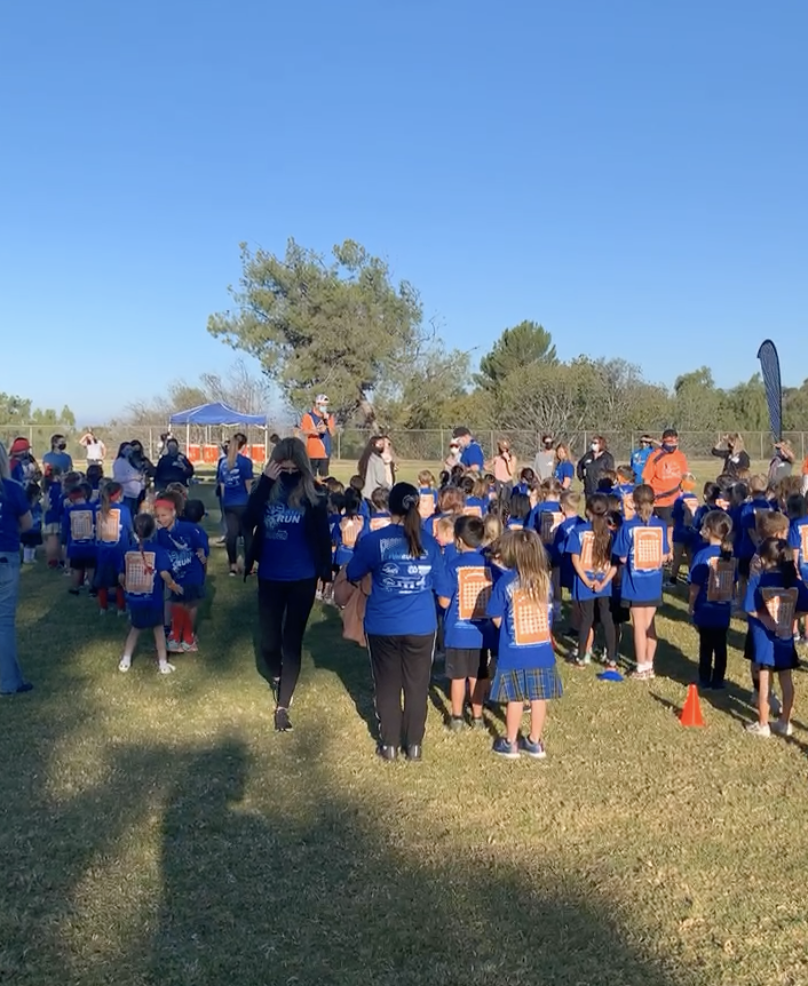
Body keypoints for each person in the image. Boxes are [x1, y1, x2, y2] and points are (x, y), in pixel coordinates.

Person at [346, 482, 452, 762]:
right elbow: (444, 597)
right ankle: (414, 745)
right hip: (421, 625)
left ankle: (390, 745)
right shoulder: (429, 543)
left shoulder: (375, 541)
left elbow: (353, 572)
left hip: (383, 625)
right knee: (417, 686)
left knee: (387, 684)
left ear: (388, 507)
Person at [244, 437, 333, 732]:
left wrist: (326, 572)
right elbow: (248, 520)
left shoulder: (313, 493)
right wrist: (266, 484)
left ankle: (283, 706)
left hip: (302, 577)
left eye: (296, 468)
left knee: (292, 639)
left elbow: (322, 535)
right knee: (269, 642)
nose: (291, 472)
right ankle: (278, 675)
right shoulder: (266, 490)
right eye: (285, 467)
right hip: (270, 575)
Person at [486, 528, 562, 760]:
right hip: (541, 648)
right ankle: (535, 741)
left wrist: (509, 631)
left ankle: (510, 742)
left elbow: (495, 614)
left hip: (514, 651)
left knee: (515, 698)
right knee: (539, 697)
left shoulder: (506, 582)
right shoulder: (545, 581)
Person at [743, 537, 806, 737]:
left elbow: (749, 608)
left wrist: (766, 620)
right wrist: (790, 618)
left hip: (764, 640)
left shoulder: (758, 580)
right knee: (786, 681)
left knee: (765, 683)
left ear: (764, 558)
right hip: (785, 639)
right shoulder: (794, 582)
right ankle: (785, 722)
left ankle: (763, 724)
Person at [613, 484, 670, 680]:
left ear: (634, 503)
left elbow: (621, 557)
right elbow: (665, 554)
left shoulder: (628, 526)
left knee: (639, 625)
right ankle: (649, 664)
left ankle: (641, 666)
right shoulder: (660, 525)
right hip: (653, 581)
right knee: (649, 624)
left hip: (634, 582)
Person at [441, 516, 493, 730]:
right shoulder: (489, 566)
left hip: (458, 633)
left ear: (459, 540)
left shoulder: (452, 566)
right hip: (482, 632)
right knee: (477, 675)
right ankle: (478, 716)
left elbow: (444, 602)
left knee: (458, 676)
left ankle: (457, 716)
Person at [117, 512, 177, 674]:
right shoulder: (158, 550)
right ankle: (163, 663)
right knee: (158, 630)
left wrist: (126, 587)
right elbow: (164, 573)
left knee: (135, 629)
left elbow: (121, 576)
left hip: (135, 599)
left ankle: (125, 660)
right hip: (154, 599)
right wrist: (172, 584)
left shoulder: (128, 551)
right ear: (153, 530)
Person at [567, 494, 618, 668]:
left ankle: (581, 657)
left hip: (584, 581)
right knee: (606, 618)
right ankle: (612, 658)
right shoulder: (610, 533)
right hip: (604, 580)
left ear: (588, 511)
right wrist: (603, 582)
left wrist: (587, 581)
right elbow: (614, 563)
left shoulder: (578, 531)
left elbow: (575, 559)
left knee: (586, 619)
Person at [0, 442, 34, 695]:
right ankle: (8, 681)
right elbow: (27, 523)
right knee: (4, 622)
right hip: (6, 556)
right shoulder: (11, 488)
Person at [155, 491, 208, 654]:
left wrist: (203, 553)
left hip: (192, 572)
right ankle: (175, 636)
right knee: (177, 604)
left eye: (164, 515)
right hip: (175, 575)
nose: (161, 519)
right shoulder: (160, 534)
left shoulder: (189, 529)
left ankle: (187, 637)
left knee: (191, 604)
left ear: (173, 512)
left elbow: (202, 545)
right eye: (158, 516)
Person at [688, 510, 735, 690]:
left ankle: (704, 678)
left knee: (706, 645)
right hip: (723, 608)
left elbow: (695, 585)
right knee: (721, 645)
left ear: (709, 530)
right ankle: (718, 680)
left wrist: (691, 605)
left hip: (706, 608)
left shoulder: (703, 555)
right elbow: (733, 583)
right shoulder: (729, 555)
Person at [216, 433, 254, 576]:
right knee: (247, 534)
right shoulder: (245, 462)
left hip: (229, 503)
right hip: (243, 502)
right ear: (243, 446)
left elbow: (222, 486)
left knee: (231, 534)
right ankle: (249, 566)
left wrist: (225, 503)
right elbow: (248, 485)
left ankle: (233, 565)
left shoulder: (223, 463)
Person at [93, 481, 132, 616]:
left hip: (103, 550)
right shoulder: (124, 510)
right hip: (120, 550)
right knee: (120, 580)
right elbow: (129, 528)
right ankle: (121, 608)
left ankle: (103, 607)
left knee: (102, 580)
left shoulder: (98, 509)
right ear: (119, 495)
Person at [641, 428, 689, 533]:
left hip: (676, 500)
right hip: (660, 501)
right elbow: (647, 480)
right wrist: (648, 500)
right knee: (667, 530)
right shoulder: (655, 456)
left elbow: (685, 477)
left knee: (678, 530)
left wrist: (685, 494)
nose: (673, 445)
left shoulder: (680, 456)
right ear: (663, 441)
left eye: (675, 442)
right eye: (669, 442)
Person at [62, 482, 97, 595]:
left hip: (75, 544)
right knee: (91, 567)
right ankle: (92, 588)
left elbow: (65, 526)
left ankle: (75, 587)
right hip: (90, 544)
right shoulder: (92, 508)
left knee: (76, 568)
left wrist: (64, 540)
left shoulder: (69, 510)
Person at [112, 441, 153, 516]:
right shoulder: (119, 462)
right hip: (126, 495)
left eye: (130, 449)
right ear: (122, 450)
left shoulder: (131, 462)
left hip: (136, 495)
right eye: (127, 449)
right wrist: (133, 477)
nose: (129, 451)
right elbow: (117, 478)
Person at [300, 394, 335, 477]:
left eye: (326, 405)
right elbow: (304, 431)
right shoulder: (308, 416)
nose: (324, 407)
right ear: (317, 404)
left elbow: (333, 433)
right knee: (312, 477)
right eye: (322, 405)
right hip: (312, 452)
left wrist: (327, 421)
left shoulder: (329, 417)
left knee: (324, 477)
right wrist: (316, 431)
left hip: (325, 452)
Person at [357, 435, 390, 501]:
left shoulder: (366, 458)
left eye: (382, 444)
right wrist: (388, 486)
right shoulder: (378, 460)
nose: (382, 446)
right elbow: (380, 479)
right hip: (375, 494)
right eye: (379, 444)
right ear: (373, 445)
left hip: (364, 492)